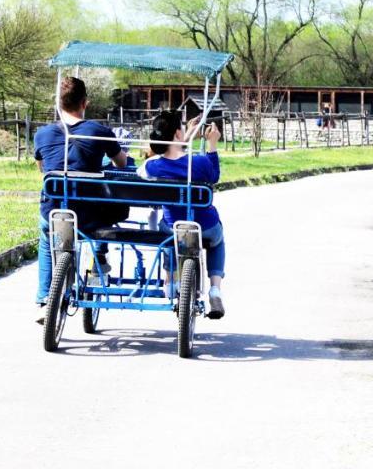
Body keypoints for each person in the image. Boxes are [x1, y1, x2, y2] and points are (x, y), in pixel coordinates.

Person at [32, 77, 129, 316]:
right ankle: (98, 260)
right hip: (88, 215)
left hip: (54, 211)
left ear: (58, 103)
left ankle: (45, 298)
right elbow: (122, 163)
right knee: (108, 205)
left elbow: (43, 168)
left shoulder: (42, 134)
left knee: (46, 239)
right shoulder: (100, 131)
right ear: (84, 102)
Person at [137, 110, 228, 320]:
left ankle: (170, 281)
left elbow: (143, 171)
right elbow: (214, 175)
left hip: (173, 228)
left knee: (169, 234)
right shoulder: (200, 163)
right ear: (179, 133)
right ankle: (215, 289)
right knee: (217, 240)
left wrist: (181, 139)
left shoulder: (152, 166)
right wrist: (212, 144)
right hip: (204, 228)